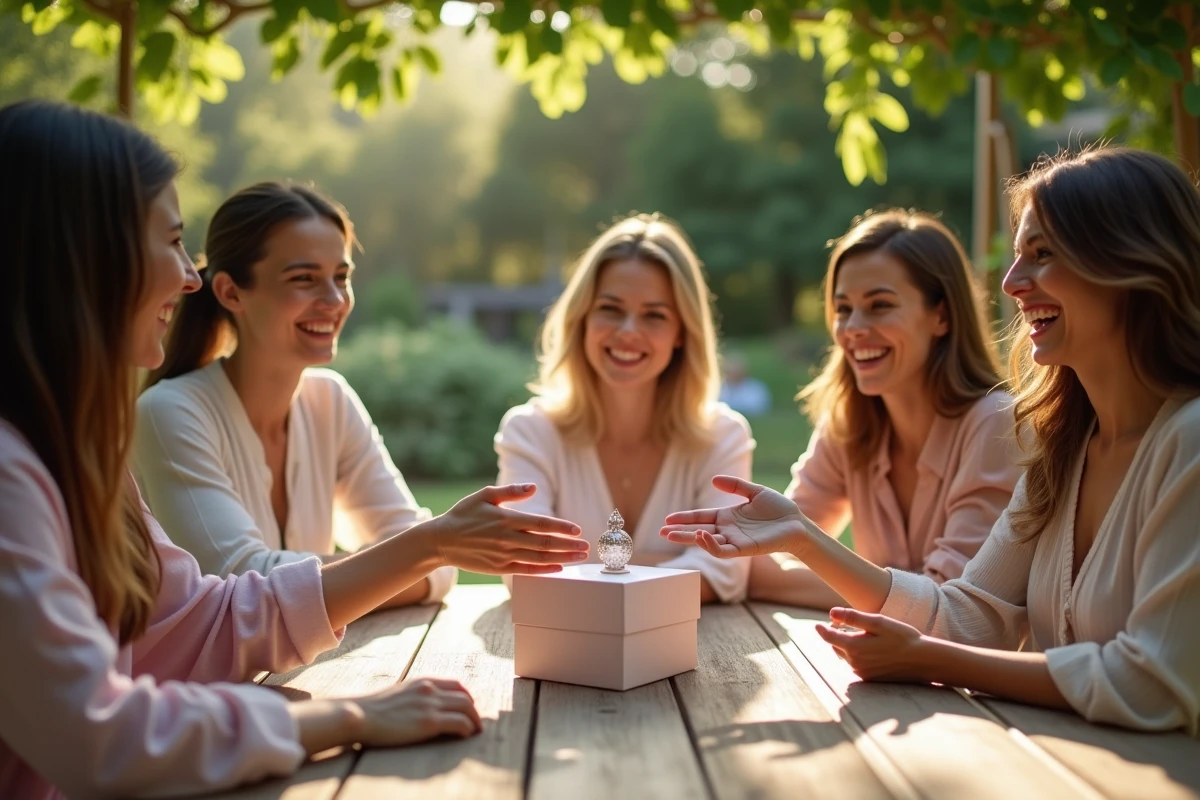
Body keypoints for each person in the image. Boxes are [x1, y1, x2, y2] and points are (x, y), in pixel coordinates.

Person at [0, 100, 589, 799]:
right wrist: (342, 717)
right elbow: (99, 735)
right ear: (81, 256)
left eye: (340, 276)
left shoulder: (73, 455)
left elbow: (199, 620)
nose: (187, 277)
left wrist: (432, 544)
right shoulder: (23, 469)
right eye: (170, 242)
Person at [662, 146, 1200, 735]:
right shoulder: (1062, 453)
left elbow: (1150, 682)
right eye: (842, 308)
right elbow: (969, 614)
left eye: (1042, 255)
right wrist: (801, 534)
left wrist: (927, 657)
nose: (1014, 283)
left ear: (1133, 262)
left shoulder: (1186, 439)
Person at [135, 182, 453, 607]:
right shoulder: (169, 412)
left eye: (341, 277)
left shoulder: (330, 400)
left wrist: (397, 561)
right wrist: (396, 562)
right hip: (183, 676)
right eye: (303, 279)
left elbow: (439, 568)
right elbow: (244, 589)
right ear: (231, 292)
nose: (335, 299)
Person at [749, 210, 1021, 609]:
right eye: (843, 309)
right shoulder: (848, 422)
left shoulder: (996, 422)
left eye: (879, 305)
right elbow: (775, 550)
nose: (853, 327)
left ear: (941, 316)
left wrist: (774, 581)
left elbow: (947, 605)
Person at [496, 213, 754, 603]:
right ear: (582, 319)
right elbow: (523, 570)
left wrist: (591, 571)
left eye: (654, 315)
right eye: (611, 309)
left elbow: (724, 570)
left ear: (682, 332)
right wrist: (667, 566)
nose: (628, 331)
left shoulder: (723, 436)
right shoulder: (529, 432)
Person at [718, 352, 771, 416]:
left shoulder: (756, 389)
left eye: (735, 371)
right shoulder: (719, 389)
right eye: (728, 372)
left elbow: (758, 408)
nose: (732, 375)